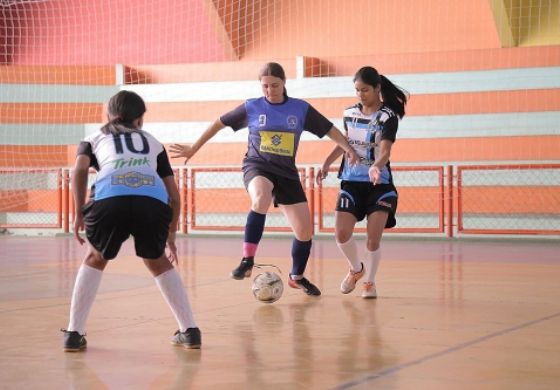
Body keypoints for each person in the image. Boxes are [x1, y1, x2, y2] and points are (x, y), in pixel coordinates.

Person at [170, 62, 359, 296]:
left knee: (305, 232)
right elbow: (218, 123)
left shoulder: (300, 109)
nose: (270, 90)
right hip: (257, 166)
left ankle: (296, 277)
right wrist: (194, 148)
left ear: (284, 84)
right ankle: (247, 260)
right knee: (261, 197)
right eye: (265, 86)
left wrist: (348, 148)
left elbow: (330, 129)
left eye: (275, 85)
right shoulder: (252, 107)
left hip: (287, 173)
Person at [62, 90, 201, 351]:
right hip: (152, 202)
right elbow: (174, 195)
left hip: (109, 200)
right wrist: (170, 235)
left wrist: (78, 212)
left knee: (95, 257)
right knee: (157, 259)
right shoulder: (154, 143)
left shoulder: (93, 138)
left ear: (109, 115)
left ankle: (73, 333)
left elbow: (79, 170)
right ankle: (190, 331)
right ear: (139, 119)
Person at [316, 66, 408, 299]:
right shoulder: (349, 113)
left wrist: (376, 166)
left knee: (372, 238)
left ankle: (369, 282)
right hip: (351, 182)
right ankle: (356, 269)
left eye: (365, 90)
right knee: (341, 233)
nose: (360, 94)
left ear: (377, 88)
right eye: (357, 90)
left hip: (380, 185)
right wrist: (327, 162)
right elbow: (345, 142)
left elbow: (385, 150)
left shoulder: (387, 116)